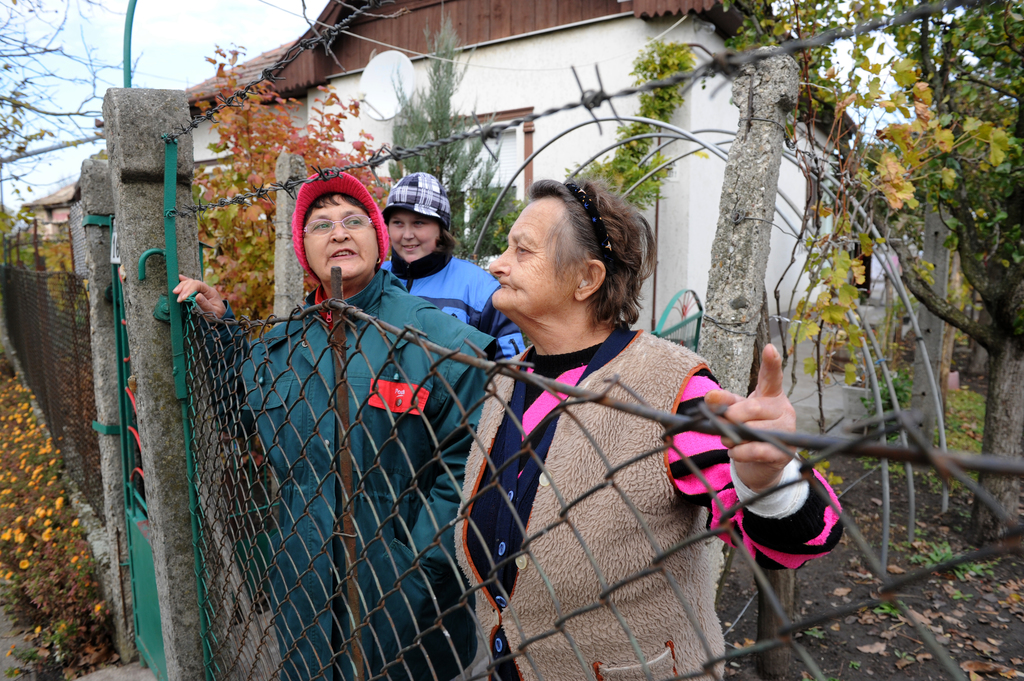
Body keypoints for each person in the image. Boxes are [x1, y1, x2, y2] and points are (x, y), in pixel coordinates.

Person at [454, 179, 844, 681]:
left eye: (521, 250)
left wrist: (767, 482)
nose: (497, 263)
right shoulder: (509, 381)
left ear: (586, 279)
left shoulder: (671, 389)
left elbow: (795, 545)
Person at [174, 172, 490, 681]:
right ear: (305, 250)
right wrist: (220, 331)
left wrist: (417, 568)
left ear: (377, 239)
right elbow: (242, 407)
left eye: (352, 221)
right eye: (320, 225)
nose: (338, 233)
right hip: (305, 590)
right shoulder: (285, 344)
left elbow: (470, 461)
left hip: (405, 603)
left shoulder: (436, 338)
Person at [382, 172, 525, 359]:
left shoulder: (481, 288)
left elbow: (511, 368)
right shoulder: (376, 278)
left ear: (441, 230)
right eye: (398, 223)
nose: (407, 234)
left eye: (418, 223)